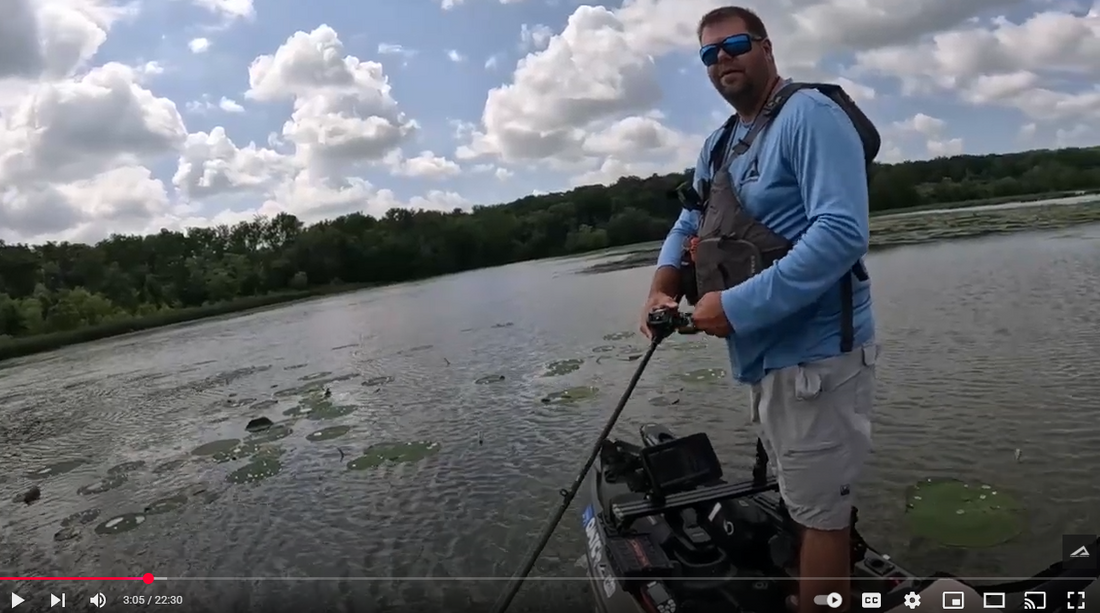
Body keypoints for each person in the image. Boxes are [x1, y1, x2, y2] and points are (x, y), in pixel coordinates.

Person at [639, 6, 878, 613]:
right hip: (764, 360)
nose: (723, 60)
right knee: (807, 501)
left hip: (818, 361)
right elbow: (689, 220)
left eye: (735, 45)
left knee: (822, 517)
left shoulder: (810, 116)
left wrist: (737, 307)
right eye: (709, 54)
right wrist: (661, 287)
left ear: (766, 48)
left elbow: (841, 232)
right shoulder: (719, 143)